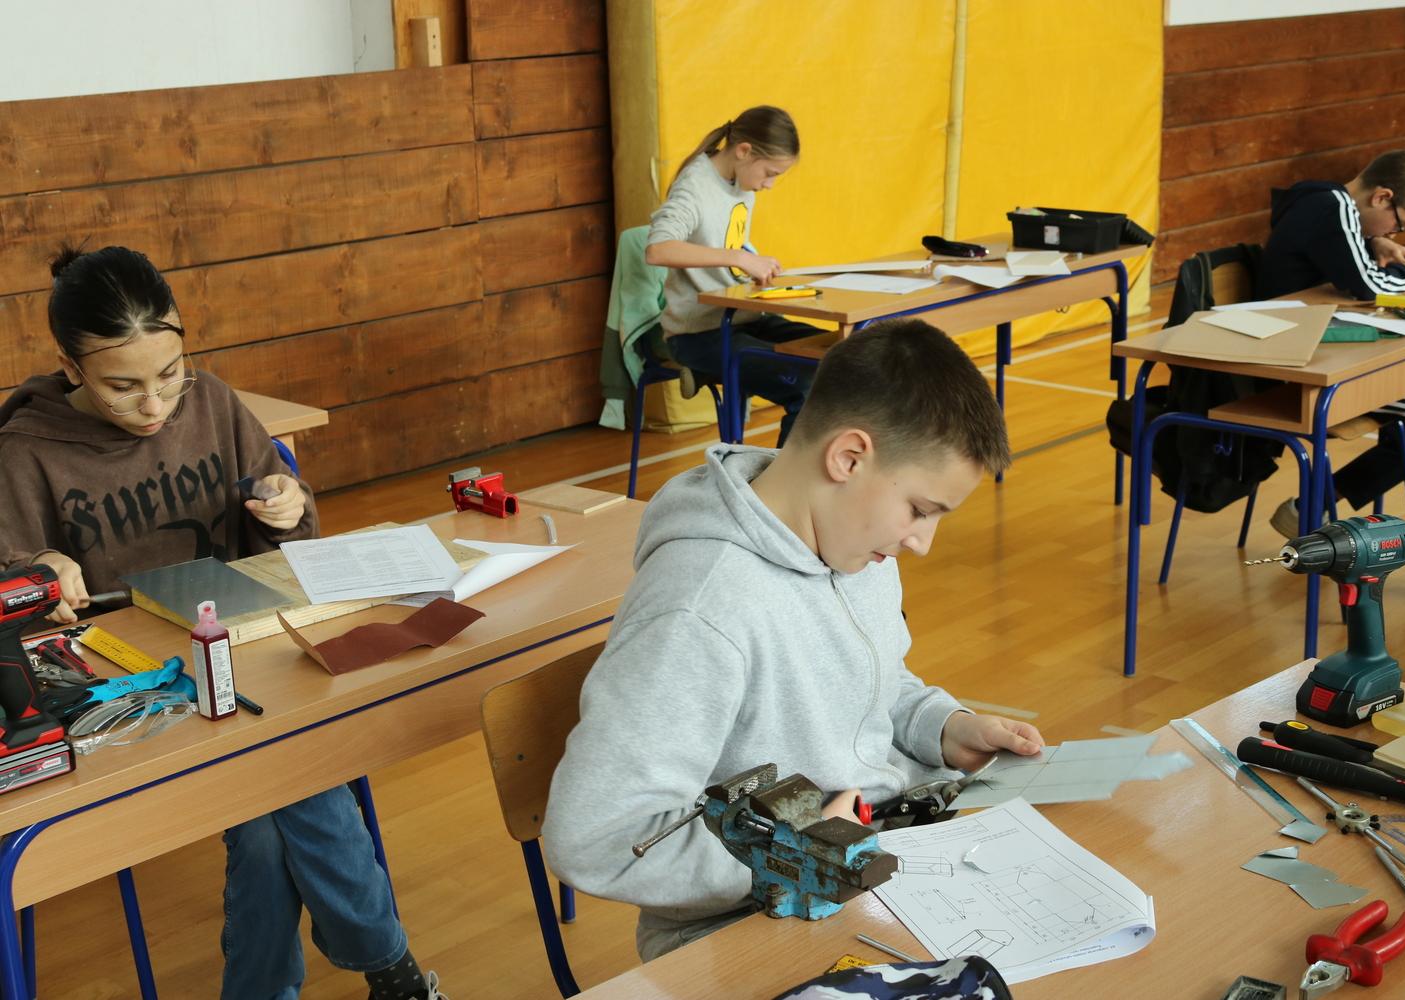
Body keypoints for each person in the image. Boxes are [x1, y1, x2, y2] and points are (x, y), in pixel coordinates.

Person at [0, 245, 446, 1000]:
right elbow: (16, 611)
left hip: (247, 653)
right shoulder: (26, 451)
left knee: (271, 805)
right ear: (70, 368)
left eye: (169, 374)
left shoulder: (211, 402)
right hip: (132, 696)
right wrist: (39, 572)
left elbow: (287, 548)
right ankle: (393, 973)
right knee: (293, 776)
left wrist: (287, 507)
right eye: (123, 386)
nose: (154, 405)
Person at [543, 318, 1045, 961]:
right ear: (849, 458)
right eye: (921, 511)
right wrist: (799, 854)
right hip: (747, 922)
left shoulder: (851, 545)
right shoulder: (700, 608)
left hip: (875, 858)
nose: (922, 542)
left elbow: (870, 682)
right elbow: (597, 836)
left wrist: (943, 726)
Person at [1254, 148, 1405, 599]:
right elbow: (1365, 283)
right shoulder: (1333, 206)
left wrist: (1373, 244)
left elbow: (1339, 256)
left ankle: (1312, 505)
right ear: (1382, 197)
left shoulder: (1320, 200)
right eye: (1398, 225)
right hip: (1301, 374)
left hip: (1317, 358)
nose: (1394, 233)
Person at [645, 105, 823, 446]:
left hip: (743, 318)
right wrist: (738, 257)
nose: (769, 185)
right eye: (770, 173)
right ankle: (779, 481)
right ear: (744, 151)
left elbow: (725, 245)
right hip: (699, 333)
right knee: (808, 383)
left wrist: (750, 264)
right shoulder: (695, 186)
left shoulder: (740, 182)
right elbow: (658, 249)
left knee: (843, 359)